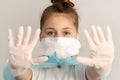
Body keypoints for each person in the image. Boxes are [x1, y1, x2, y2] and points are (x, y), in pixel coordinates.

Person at [3, 0, 114, 80]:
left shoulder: (82, 69)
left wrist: (99, 71)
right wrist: (18, 70)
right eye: (50, 32)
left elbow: (92, 75)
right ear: (41, 36)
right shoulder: (34, 70)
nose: (58, 39)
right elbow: (25, 76)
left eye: (66, 32)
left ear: (77, 36)